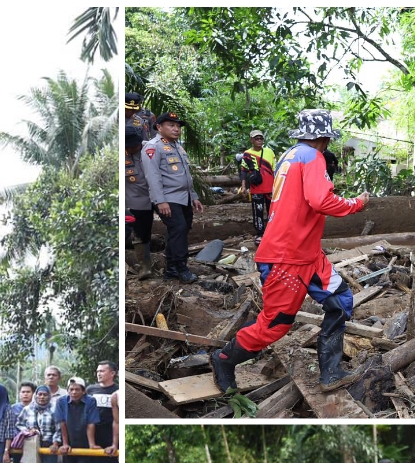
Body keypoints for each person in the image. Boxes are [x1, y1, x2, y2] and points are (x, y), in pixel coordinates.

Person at [211, 109, 370, 394]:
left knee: (340, 300)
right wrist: (356, 203)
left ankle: (331, 372)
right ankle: (224, 359)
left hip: (308, 254)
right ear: (325, 138)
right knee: (276, 325)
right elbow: (320, 200)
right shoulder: (313, 156)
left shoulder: (289, 155)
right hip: (287, 257)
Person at [139, 111, 202, 283]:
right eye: (171, 125)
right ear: (159, 127)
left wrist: (194, 196)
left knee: (180, 230)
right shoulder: (153, 147)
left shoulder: (177, 147)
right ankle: (181, 268)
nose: (176, 129)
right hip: (167, 197)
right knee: (179, 228)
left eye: (178, 126)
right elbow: (152, 176)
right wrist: (160, 201)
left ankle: (172, 268)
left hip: (183, 197)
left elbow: (186, 175)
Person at [54, 377, 100, 463]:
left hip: (84, 441)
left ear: (83, 391)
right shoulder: (61, 402)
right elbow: (62, 423)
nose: (74, 392)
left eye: (77, 389)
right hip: (69, 439)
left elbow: (91, 423)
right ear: (68, 390)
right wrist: (65, 443)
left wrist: (92, 444)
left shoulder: (90, 401)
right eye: (71, 389)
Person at [19, 385, 59, 463]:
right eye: (40, 394)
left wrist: (55, 443)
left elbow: (58, 428)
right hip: (31, 444)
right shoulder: (27, 409)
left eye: (45, 395)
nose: (42, 397)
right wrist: (28, 431)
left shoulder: (54, 410)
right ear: (35, 395)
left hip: (49, 445)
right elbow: (19, 424)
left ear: (49, 396)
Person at [88, 362, 119, 463]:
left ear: (112, 373)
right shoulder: (90, 390)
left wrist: (116, 441)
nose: (99, 373)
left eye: (102, 371)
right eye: (97, 371)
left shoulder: (118, 391)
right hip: (96, 435)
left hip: (114, 434)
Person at [125, 126, 155, 273]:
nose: (132, 148)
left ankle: (173, 262)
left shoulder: (150, 149)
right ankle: (145, 266)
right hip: (136, 199)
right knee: (140, 232)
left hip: (159, 196)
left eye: (134, 145)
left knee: (176, 224)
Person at [237, 129, 276, 237]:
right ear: (251, 140)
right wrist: (243, 186)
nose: (259, 140)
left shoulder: (269, 152)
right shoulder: (247, 154)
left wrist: (277, 185)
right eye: (256, 138)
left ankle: (272, 233)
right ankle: (260, 233)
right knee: (257, 211)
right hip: (256, 188)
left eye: (261, 138)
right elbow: (243, 170)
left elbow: (275, 169)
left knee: (272, 211)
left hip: (270, 188)